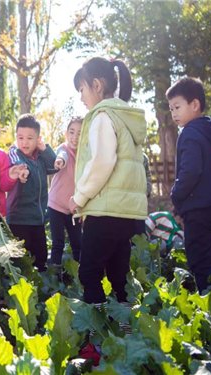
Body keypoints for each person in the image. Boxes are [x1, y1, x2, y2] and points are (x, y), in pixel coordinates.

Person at [69, 57, 147, 309]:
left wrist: (79, 198)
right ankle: (126, 332)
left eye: (82, 90)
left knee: (89, 273)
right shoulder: (125, 116)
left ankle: (97, 337)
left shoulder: (102, 116)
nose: (81, 97)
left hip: (104, 211)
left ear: (97, 85)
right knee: (118, 276)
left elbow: (102, 162)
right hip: (126, 214)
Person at [166, 77, 211, 293]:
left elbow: (191, 171)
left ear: (194, 105)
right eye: (171, 108)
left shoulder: (190, 133)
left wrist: (176, 195)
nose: (173, 113)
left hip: (200, 208)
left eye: (177, 107)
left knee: (200, 262)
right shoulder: (210, 133)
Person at [7, 114, 57, 271]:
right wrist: (22, 170)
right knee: (20, 261)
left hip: (38, 219)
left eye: (30, 138)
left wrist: (45, 149)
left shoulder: (41, 158)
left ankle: (41, 288)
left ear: (38, 139)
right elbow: (15, 161)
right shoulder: (15, 153)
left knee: (40, 257)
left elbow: (55, 166)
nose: (24, 142)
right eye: (20, 137)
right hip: (18, 219)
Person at [48, 117, 83, 268]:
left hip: (73, 208)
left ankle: (79, 276)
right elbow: (62, 156)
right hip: (55, 205)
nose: (74, 137)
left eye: (80, 133)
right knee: (58, 243)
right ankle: (54, 276)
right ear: (66, 133)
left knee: (78, 243)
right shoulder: (63, 149)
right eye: (72, 132)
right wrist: (59, 161)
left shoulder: (84, 155)